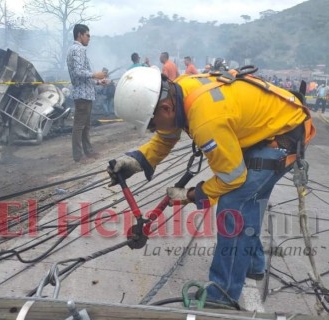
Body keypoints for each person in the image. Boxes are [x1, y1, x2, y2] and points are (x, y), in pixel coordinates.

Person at [109, 67, 314, 305]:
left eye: (152, 125)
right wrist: (138, 160)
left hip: (284, 136)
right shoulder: (180, 90)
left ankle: (224, 293)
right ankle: (252, 263)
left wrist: (191, 195)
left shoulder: (206, 120)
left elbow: (231, 178)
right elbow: (167, 136)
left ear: (165, 108)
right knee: (249, 203)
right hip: (270, 128)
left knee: (233, 205)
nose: (155, 131)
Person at [66, 24, 108, 164]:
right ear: (80, 35)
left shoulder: (76, 49)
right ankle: (79, 156)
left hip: (85, 93)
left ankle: (88, 152)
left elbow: (82, 77)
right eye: (87, 35)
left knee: (85, 125)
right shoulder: (78, 49)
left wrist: (97, 82)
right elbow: (79, 72)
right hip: (82, 95)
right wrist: (95, 74)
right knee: (79, 126)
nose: (89, 38)